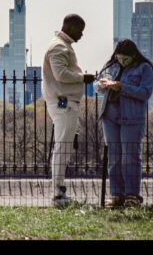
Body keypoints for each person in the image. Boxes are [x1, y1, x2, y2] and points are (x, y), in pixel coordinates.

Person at [42, 14, 95, 207]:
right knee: (62, 148)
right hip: (63, 103)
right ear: (69, 27)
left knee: (63, 147)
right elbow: (61, 74)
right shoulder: (59, 47)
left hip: (63, 103)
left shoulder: (61, 46)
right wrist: (83, 77)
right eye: (80, 30)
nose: (81, 35)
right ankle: (57, 194)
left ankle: (59, 191)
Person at [95, 39, 153, 208]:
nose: (122, 62)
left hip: (132, 117)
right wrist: (101, 85)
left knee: (130, 156)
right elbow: (96, 84)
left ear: (134, 56)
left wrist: (122, 87)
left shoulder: (145, 68)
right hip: (110, 116)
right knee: (114, 156)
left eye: (126, 59)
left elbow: (145, 92)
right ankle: (116, 194)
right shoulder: (111, 67)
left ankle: (132, 195)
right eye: (120, 58)